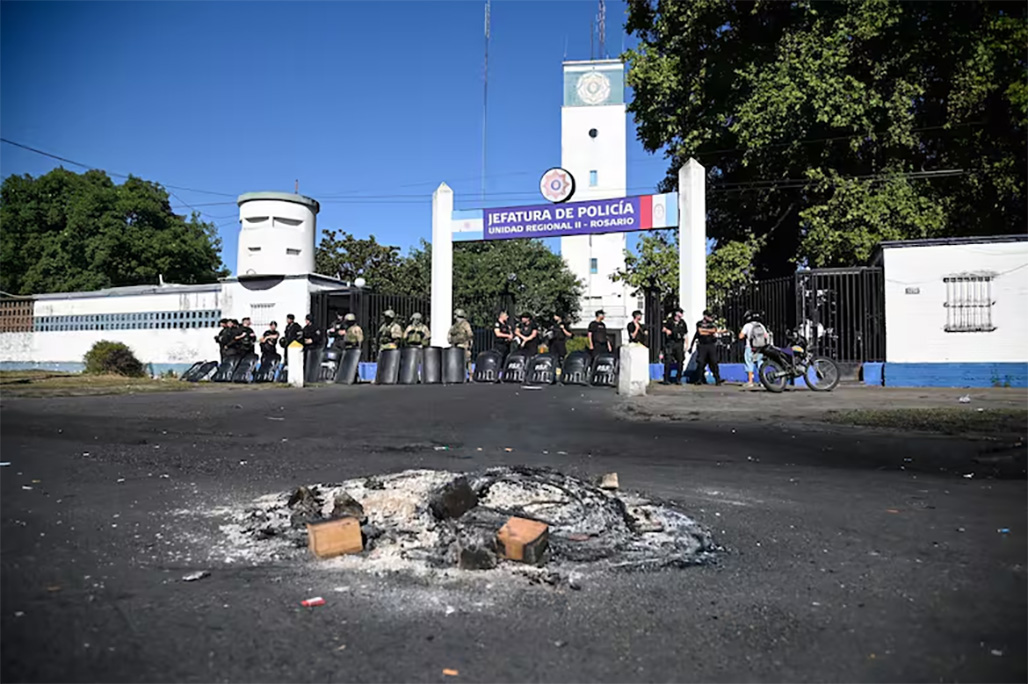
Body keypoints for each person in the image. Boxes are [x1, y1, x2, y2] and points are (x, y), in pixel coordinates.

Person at [691, 309, 724, 385]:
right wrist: (710, 331)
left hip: (711, 345)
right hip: (702, 345)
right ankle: (699, 379)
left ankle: (717, 379)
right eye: (709, 316)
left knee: (714, 362)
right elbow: (700, 332)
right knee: (701, 362)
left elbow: (714, 330)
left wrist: (706, 331)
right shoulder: (699, 323)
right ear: (705, 316)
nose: (710, 318)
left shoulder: (712, 324)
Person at [739, 310, 770, 388]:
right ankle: (762, 382)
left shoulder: (747, 326)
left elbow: (740, 336)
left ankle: (750, 381)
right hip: (760, 347)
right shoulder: (761, 325)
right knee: (760, 364)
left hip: (750, 347)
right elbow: (766, 336)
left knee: (749, 363)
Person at [661, 308, 688, 384]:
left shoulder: (683, 323)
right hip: (670, 343)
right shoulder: (669, 321)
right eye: (678, 314)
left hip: (679, 343)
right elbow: (663, 328)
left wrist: (686, 344)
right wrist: (667, 330)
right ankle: (666, 379)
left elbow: (685, 334)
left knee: (680, 361)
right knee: (668, 361)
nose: (679, 316)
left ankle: (678, 378)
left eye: (680, 314)